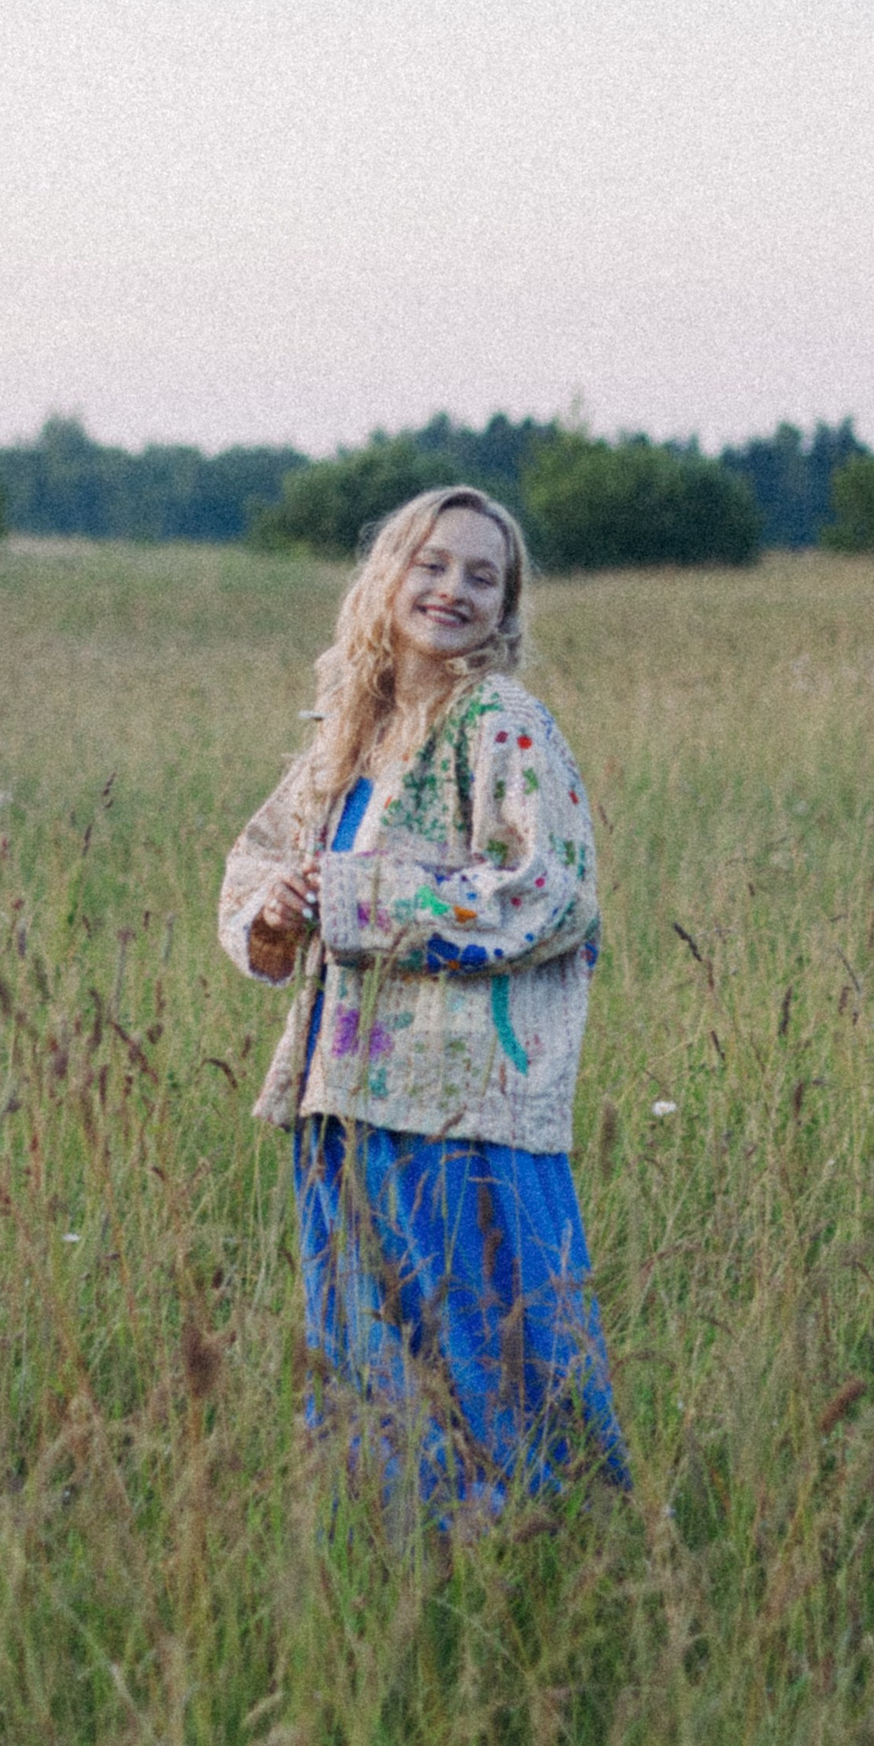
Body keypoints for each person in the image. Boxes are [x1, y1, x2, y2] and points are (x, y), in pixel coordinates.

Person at [219, 486, 628, 1521]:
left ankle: (548, 1545)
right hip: (343, 1097)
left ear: (506, 607)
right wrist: (277, 906)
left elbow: (554, 891)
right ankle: (398, 1548)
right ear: (387, 575)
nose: (452, 589)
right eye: (433, 564)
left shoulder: (502, 722)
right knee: (365, 1348)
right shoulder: (351, 730)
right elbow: (258, 866)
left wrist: (357, 897)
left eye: (481, 576)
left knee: (488, 1343)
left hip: (462, 1109)